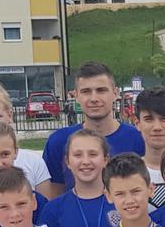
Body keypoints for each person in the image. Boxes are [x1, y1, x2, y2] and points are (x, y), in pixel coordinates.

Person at [43, 62, 145, 194]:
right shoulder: (58, 142)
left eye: (101, 90)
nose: (94, 98)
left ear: (115, 93)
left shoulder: (138, 139)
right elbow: (54, 198)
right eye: (86, 92)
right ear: (76, 96)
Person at [37, 130, 115, 227]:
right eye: (78, 155)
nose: (86, 161)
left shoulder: (121, 202)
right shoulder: (54, 210)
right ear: (67, 161)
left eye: (93, 154)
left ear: (105, 159)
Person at [134, 85, 165, 207]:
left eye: (164, 119)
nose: (157, 127)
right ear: (137, 123)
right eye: (149, 119)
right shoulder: (128, 173)